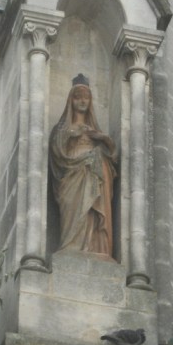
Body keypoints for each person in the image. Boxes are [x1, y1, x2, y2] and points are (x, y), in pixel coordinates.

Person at [49, 74, 117, 257]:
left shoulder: (95, 130)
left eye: (86, 98)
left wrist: (104, 140)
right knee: (73, 212)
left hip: (92, 173)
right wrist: (71, 135)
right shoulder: (62, 128)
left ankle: (96, 247)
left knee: (92, 209)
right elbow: (57, 152)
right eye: (78, 97)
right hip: (72, 175)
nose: (82, 101)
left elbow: (113, 158)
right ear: (71, 100)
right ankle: (71, 245)